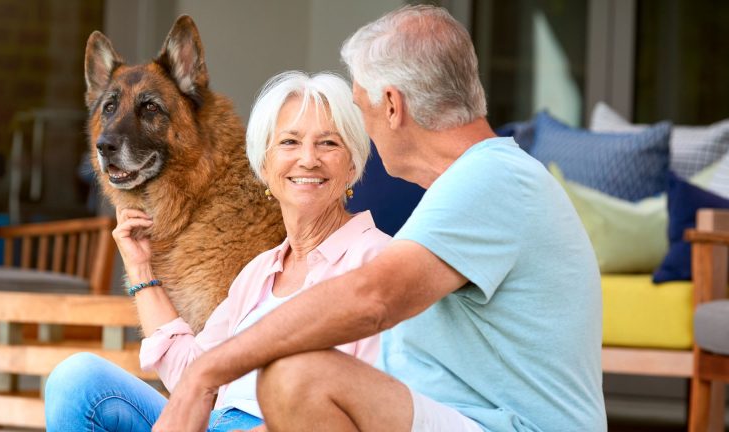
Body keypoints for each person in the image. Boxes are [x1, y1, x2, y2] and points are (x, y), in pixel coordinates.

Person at [152, 5, 607, 432]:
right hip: (465, 419)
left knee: (298, 376)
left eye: (359, 105)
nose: (362, 128)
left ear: (391, 104)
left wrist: (207, 372)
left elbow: (372, 297)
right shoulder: (473, 183)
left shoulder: (492, 179)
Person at [43, 71, 391, 432]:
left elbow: (379, 409)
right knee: (77, 380)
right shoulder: (259, 273)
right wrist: (140, 266)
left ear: (353, 164)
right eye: (289, 142)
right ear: (265, 165)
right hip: (214, 422)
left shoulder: (379, 261)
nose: (308, 159)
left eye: (328, 144)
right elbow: (192, 375)